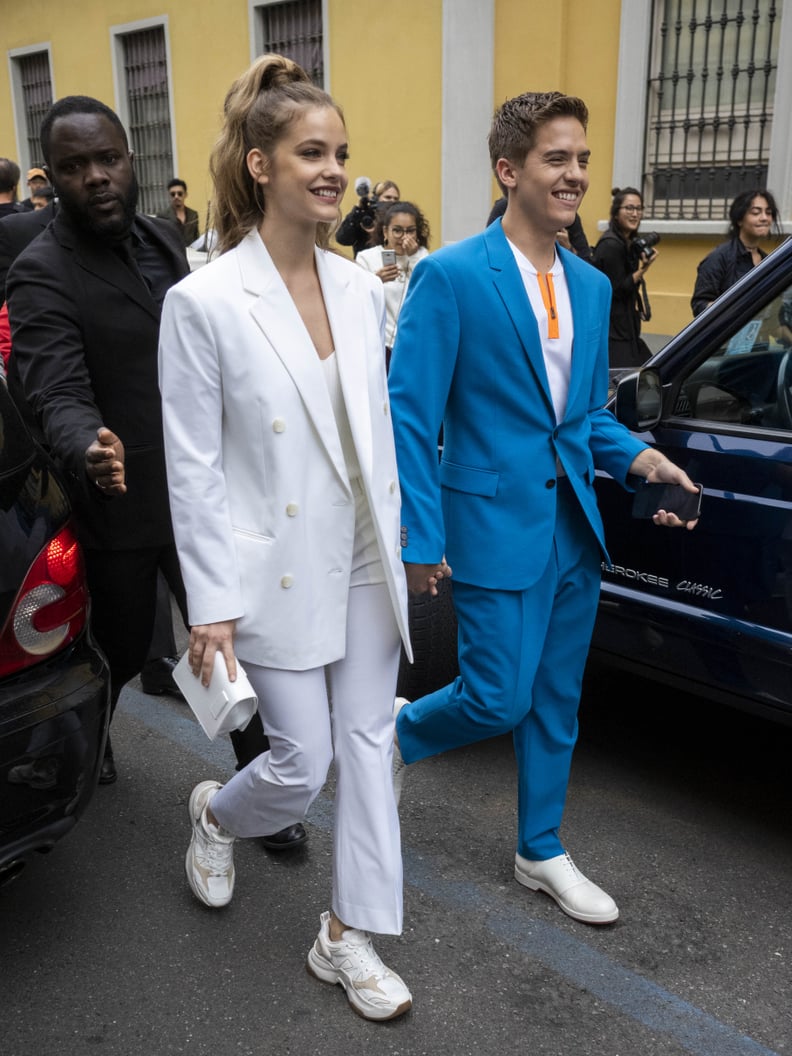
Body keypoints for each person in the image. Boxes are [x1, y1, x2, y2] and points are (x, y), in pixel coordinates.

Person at [388, 90, 698, 928]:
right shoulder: (449, 275)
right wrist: (420, 538)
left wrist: (641, 458)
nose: (575, 176)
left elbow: (584, 415)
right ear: (509, 169)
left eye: (583, 160)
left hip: (573, 528)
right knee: (497, 697)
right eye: (557, 159)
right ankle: (394, 739)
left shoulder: (594, 287)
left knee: (556, 700)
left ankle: (541, 847)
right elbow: (410, 419)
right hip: (488, 522)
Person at [158, 54, 414, 1021]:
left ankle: (347, 937)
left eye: (341, 152)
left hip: (358, 552)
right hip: (272, 567)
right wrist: (212, 601)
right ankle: (214, 814)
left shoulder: (361, 290)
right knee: (301, 764)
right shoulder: (205, 301)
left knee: (370, 743)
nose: (334, 169)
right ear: (260, 164)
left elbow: (377, 439)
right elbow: (194, 464)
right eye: (312, 152)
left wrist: (407, 539)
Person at [5, 96, 191, 784]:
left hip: (197, 487)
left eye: (107, 159)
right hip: (117, 496)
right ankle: (88, 748)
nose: (96, 177)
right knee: (116, 641)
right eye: (75, 166)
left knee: (228, 634)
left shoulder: (163, 238)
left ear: (130, 160)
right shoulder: (42, 268)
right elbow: (55, 387)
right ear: (51, 178)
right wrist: (88, 444)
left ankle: (259, 778)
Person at [356, 200, 430, 364]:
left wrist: (414, 256)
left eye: (410, 231)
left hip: (413, 342)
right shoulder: (366, 258)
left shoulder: (424, 257)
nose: (404, 237)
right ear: (385, 231)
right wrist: (376, 280)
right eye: (397, 231)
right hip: (379, 343)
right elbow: (357, 298)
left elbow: (427, 292)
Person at [593, 186, 657, 368]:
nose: (635, 214)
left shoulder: (627, 242)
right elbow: (618, 290)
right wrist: (643, 269)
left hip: (626, 330)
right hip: (613, 332)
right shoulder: (611, 245)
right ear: (615, 213)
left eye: (639, 208)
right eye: (629, 208)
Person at [691, 188, 780, 317]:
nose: (764, 218)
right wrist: (733, 309)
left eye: (769, 212)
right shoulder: (719, 258)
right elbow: (699, 305)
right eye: (756, 213)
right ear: (739, 220)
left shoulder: (768, 260)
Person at [487, 194, 593, 262]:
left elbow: (587, 263)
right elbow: (488, 249)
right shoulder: (506, 207)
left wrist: (568, 249)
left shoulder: (568, 217)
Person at [335, 177, 400, 256]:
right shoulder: (364, 215)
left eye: (396, 199)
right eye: (388, 197)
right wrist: (357, 210)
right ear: (376, 198)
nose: (392, 201)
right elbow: (343, 239)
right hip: (365, 265)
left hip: (391, 264)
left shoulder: (400, 217)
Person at [157, 177, 200, 246]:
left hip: (192, 254)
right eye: (173, 194)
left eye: (180, 193)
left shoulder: (193, 214)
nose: (176, 197)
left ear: (185, 195)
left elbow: (196, 237)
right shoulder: (162, 215)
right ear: (169, 196)